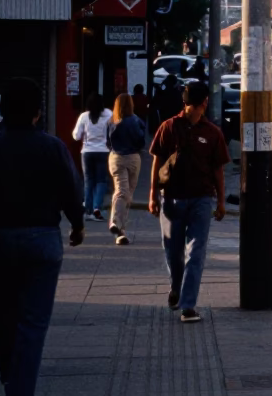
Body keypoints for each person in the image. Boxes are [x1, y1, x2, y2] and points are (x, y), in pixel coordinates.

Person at [0, 79, 84, 396]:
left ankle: (10, 385)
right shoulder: (52, 147)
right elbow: (69, 188)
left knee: (3, 318)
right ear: (37, 111)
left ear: (1, 111)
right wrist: (77, 224)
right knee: (32, 325)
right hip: (43, 241)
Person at [148, 81, 229, 323]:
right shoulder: (169, 127)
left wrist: (221, 201)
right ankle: (177, 287)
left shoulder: (212, 133)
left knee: (195, 253)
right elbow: (157, 161)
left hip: (201, 200)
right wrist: (153, 194)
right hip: (171, 199)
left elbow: (218, 170)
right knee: (173, 252)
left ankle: (188, 305)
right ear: (203, 102)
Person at [107, 93, 147, 245]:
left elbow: (107, 142)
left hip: (115, 157)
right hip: (132, 157)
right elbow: (141, 140)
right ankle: (116, 223)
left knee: (121, 191)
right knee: (126, 192)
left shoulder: (111, 121)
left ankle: (120, 232)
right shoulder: (136, 120)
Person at [71, 93, 112, 222]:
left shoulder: (84, 116)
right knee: (101, 181)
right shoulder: (109, 114)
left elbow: (76, 136)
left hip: (87, 152)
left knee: (88, 181)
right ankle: (97, 207)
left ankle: (87, 210)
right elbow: (114, 131)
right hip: (104, 151)